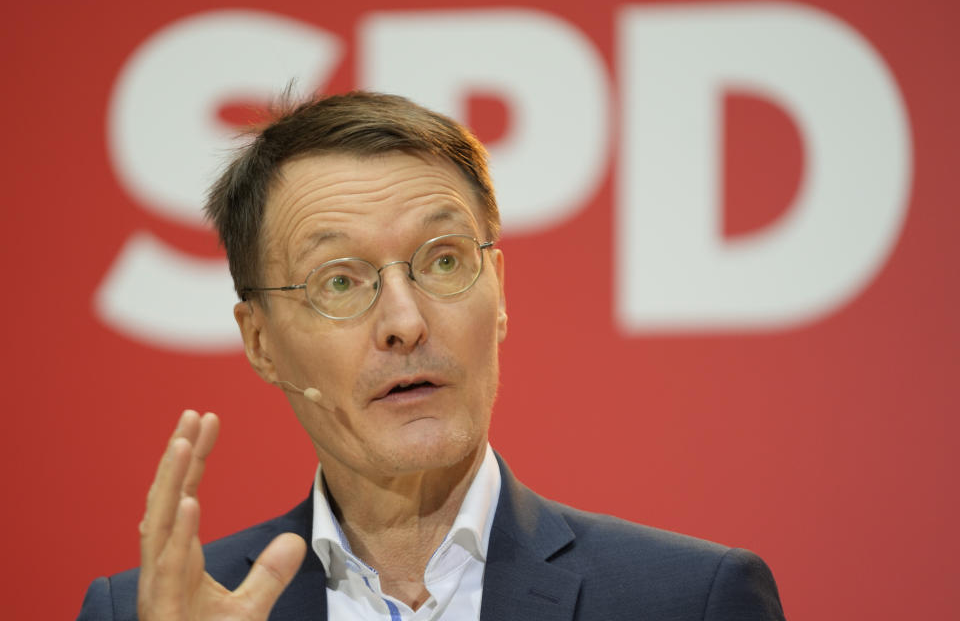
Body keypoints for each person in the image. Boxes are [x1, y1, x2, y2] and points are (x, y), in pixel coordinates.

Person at [78, 91, 786, 620]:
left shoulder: (688, 600)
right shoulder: (149, 612)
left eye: (443, 262)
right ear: (260, 342)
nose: (405, 322)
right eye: (340, 282)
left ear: (499, 293)